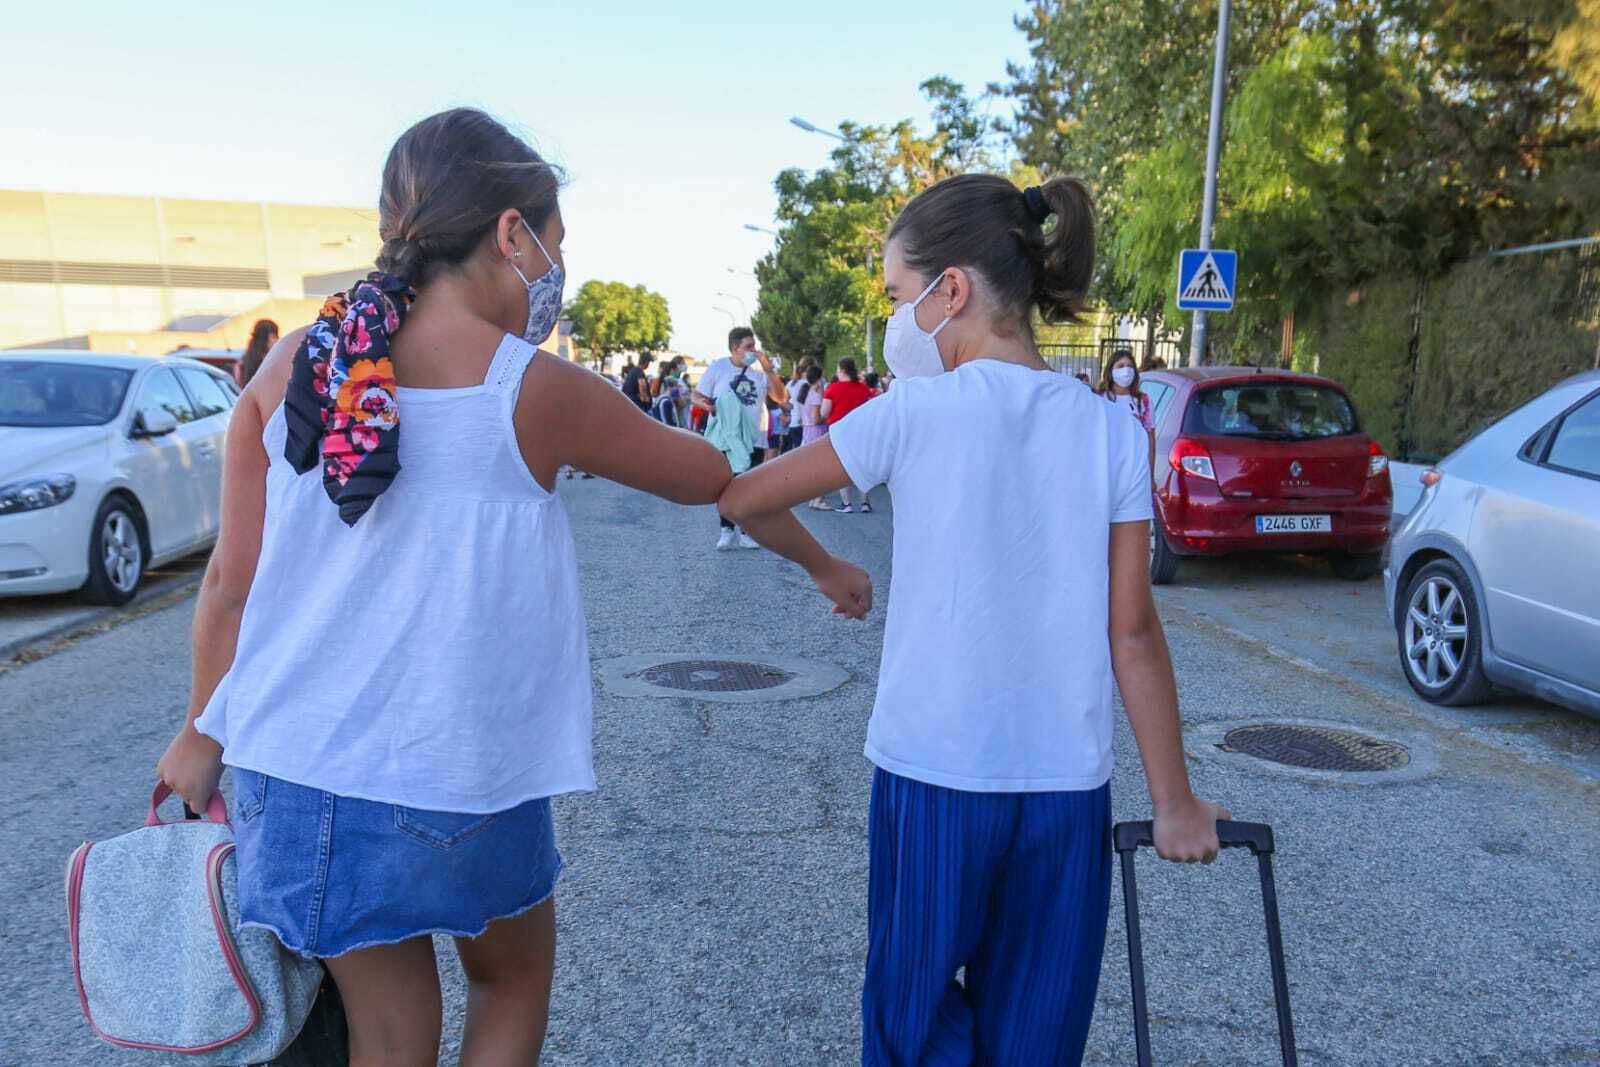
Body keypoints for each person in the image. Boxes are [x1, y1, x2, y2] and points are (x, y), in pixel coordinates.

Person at [154, 108, 732, 1067]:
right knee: (509, 979)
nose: (554, 272)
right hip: (455, 773)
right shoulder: (530, 386)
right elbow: (702, 470)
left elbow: (229, 581)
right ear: (514, 233)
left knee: (387, 1037)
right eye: (554, 244)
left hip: (293, 769)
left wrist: (197, 730)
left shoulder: (299, 361)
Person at [718, 173, 1227, 1067]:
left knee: (910, 1029)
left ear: (950, 289)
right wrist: (1175, 800)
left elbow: (745, 496)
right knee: (1036, 1037)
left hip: (934, 774)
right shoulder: (1111, 431)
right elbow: (1133, 630)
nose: (895, 318)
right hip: (1066, 789)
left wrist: (829, 566)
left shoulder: (909, 414)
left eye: (896, 295)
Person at [691, 327, 788, 549]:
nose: (754, 351)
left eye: (754, 346)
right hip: (726, 437)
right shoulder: (718, 368)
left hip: (753, 436)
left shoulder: (759, 372)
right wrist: (710, 406)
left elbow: (781, 397)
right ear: (735, 348)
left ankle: (747, 531)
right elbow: (696, 396)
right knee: (725, 484)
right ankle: (726, 528)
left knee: (749, 485)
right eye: (749, 347)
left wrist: (769, 369)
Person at [821, 357, 874, 513]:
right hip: (861, 431)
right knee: (862, 467)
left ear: (842, 371)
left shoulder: (832, 388)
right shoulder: (863, 388)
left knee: (841, 467)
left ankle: (847, 503)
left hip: (839, 432)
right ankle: (865, 503)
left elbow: (824, 412)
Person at [1099, 348, 1157, 487]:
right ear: (1111, 371)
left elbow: (1150, 440)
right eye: (1120, 366)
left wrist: (1150, 476)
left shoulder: (1143, 401)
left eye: (1130, 366)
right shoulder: (1100, 399)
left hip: (1135, 471)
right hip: (1107, 470)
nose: (1126, 370)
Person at [794, 364, 832, 510]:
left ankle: (814, 498)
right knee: (821, 467)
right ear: (819, 378)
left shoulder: (806, 392)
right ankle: (818, 499)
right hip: (817, 431)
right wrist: (826, 415)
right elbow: (816, 419)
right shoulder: (815, 396)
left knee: (813, 467)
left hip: (807, 431)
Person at [237, 318, 279, 387]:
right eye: (274, 337)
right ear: (264, 339)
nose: (277, 340)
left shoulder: (243, 361)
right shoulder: (269, 361)